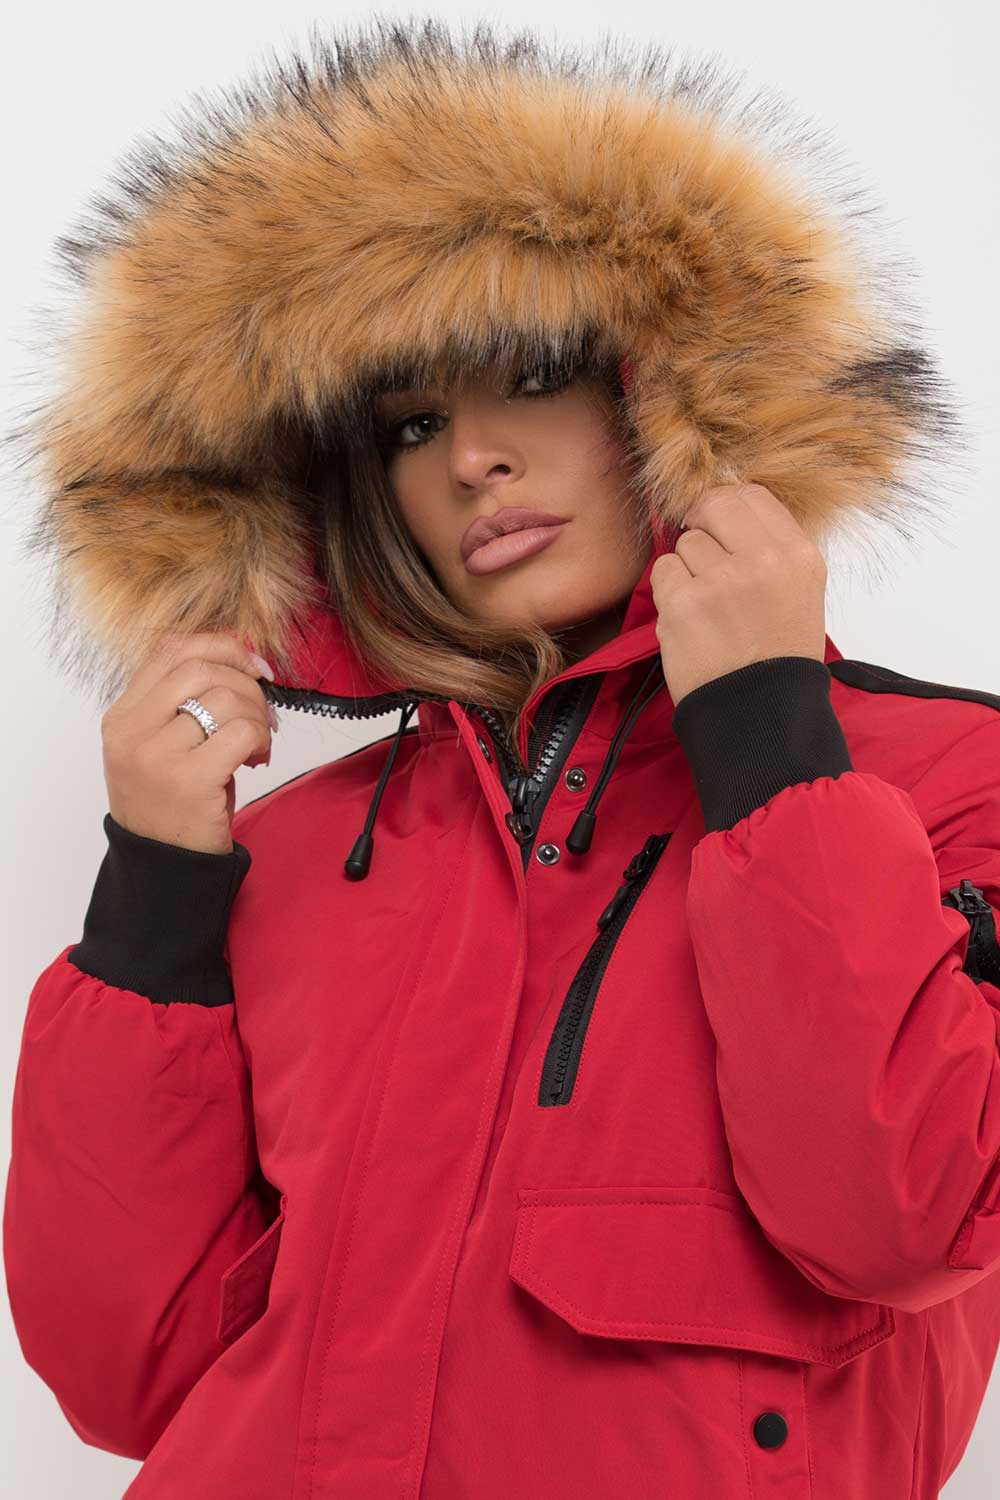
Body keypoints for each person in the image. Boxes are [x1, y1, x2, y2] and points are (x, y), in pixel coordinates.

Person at [5, 18, 1000, 1500]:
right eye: (410, 422)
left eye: (530, 371)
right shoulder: (284, 858)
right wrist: (152, 901)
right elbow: (126, 1375)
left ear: (669, 388)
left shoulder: (947, 781)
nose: (469, 456)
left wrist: (771, 745)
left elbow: (904, 1217)